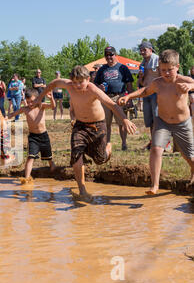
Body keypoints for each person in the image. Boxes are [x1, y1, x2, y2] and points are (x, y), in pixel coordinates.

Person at [41, 65, 136, 200]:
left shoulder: (93, 89)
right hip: (80, 126)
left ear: (88, 79)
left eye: (81, 82)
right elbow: (54, 83)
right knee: (76, 155)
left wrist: (125, 120)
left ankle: (108, 148)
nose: (77, 85)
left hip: (97, 126)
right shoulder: (69, 85)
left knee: (100, 159)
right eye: (74, 82)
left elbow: (111, 104)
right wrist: (40, 97)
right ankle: (82, 190)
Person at [118, 50, 194, 195]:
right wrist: (129, 97)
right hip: (162, 122)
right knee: (156, 149)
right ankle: (155, 185)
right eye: (162, 70)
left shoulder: (183, 80)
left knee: (189, 156)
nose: (165, 73)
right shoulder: (157, 83)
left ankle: (193, 170)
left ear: (177, 66)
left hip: (182, 123)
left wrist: (190, 87)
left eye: (169, 70)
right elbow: (145, 91)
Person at [8, 88, 56, 184]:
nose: (30, 104)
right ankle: (27, 177)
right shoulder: (25, 109)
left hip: (44, 136)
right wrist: (4, 118)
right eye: (28, 101)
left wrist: (51, 98)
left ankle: (54, 170)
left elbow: (53, 106)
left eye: (32, 101)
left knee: (49, 157)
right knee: (30, 157)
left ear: (38, 99)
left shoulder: (41, 106)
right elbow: (13, 114)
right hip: (33, 137)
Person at [94, 46, 134, 151]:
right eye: (106, 55)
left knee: (122, 122)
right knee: (106, 123)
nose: (109, 57)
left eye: (111, 54)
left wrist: (129, 98)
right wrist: (99, 88)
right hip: (106, 97)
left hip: (119, 97)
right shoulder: (102, 69)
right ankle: (107, 144)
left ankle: (124, 144)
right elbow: (95, 84)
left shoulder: (123, 68)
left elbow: (129, 83)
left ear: (115, 55)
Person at [138, 41, 160, 150]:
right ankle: (153, 142)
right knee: (150, 120)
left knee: (158, 119)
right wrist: (141, 76)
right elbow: (141, 83)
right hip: (146, 93)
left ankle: (163, 143)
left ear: (150, 50)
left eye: (144, 50)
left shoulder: (158, 60)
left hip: (157, 93)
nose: (142, 52)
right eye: (141, 50)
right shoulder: (142, 64)